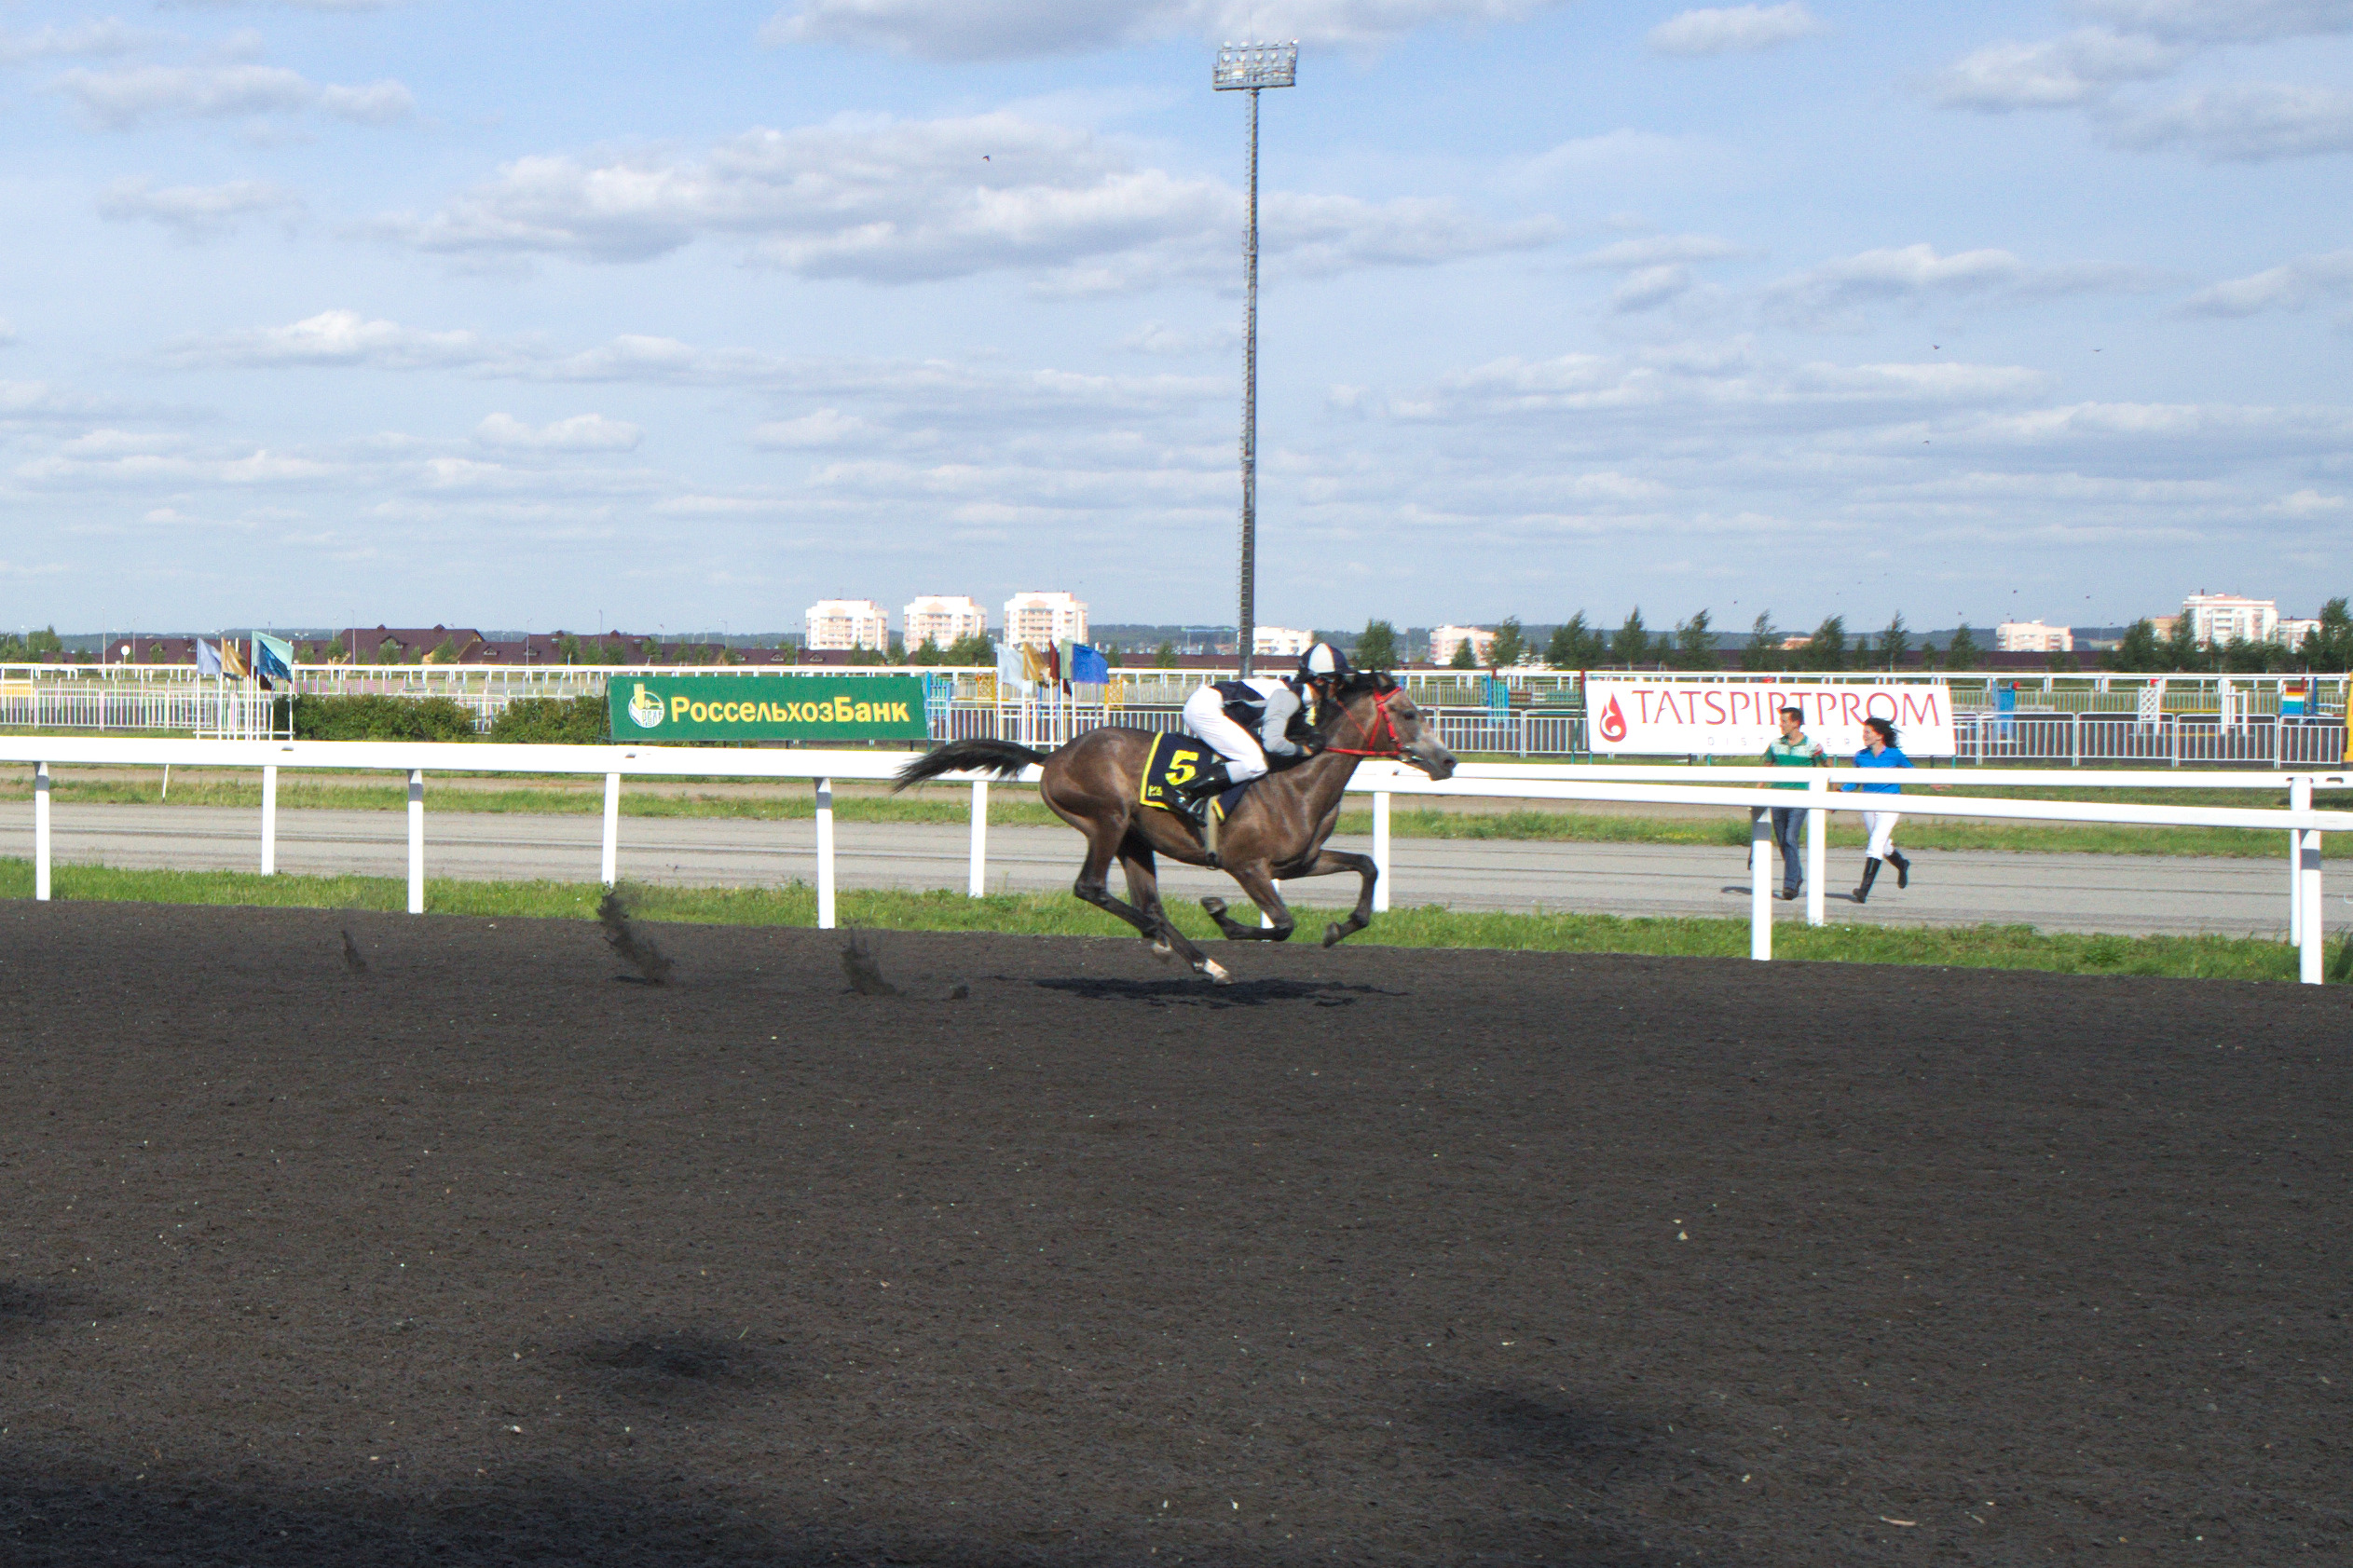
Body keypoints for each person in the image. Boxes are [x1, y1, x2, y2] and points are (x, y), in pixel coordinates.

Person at [1175, 643, 1349, 856]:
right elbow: (1273, 743)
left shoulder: (1297, 697)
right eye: (1338, 681)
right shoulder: (1289, 698)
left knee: (1253, 756)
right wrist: (1303, 751)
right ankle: (1187, 792)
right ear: (1321, 680)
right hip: (1205, 709)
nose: (1340, 687)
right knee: (1256, 763)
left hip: (1211, 705)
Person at [1840, 715, 1913, 903]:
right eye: (1864, 732)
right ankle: (1902, 864)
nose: (1864, 735)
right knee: (1884, 845)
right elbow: (1855, 782)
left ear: (1879, 735)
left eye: (1868, 732)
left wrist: (1935, 784)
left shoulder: (1895, 754)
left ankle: (1863, 890)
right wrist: (1840, 793)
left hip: (1890, 803)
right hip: (1868, 803)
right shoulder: (1860, 756)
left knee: (1875, 844)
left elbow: (1913, 772)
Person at [1759, 705, 1826, 901]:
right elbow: (1767, 768)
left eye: (1784, 721)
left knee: (1790, 838)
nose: (1781, 724)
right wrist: (1759, 790)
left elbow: (1827, 766)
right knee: (1782, 841)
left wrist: (1832, 791)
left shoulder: (1812, 746)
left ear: (1796, 723)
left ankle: (1790, 885)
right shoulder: (1775, 744)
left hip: (1800, 798)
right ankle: (1796, 875)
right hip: (1777, 797)